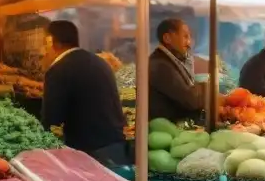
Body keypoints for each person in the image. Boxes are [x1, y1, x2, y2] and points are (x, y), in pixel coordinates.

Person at [41, 20, 128, 165]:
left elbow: (51, 119)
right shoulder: (99, 62)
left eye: (44, 44)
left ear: (53, 43)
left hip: (90, 152)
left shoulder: (58, 69)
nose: (42, 51)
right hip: (116, 145)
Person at [149, 18, 204, 123]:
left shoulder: (170, 61)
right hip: (166, 130)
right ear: (167, 38)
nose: (189, 43)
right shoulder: (160, 66)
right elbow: (190, 100)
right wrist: (208, 88)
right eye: (185, 36)